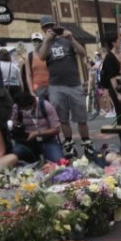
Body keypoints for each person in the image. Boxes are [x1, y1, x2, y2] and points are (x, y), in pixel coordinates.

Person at [37, 15, 90, 157]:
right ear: (42, 29)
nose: (50, 28)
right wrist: (47, 40)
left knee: (81, 117)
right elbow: (42, 57)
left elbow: (82, 53)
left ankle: (87, 143)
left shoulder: (66, 39)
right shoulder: (43, 44)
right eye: (46, 27)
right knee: (63, 118)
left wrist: (72, 39)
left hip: (74, 83)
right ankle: (69, 144)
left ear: (56, 25)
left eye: (51, 25)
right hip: (56, 85)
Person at [10, 89, 64, 164]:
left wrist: (37, 133)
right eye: (23, 109)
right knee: (16, 150)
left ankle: (46, 157)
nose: (26, 110)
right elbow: (14, 123)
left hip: (47, 139)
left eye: (27, 108)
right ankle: (33, 161)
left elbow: (56, 129)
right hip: (28, 141)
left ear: (34, 102)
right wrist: (15, 124)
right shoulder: (17, 107)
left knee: (58, 162)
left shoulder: (45, 105)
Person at [101, 35, 121, 125]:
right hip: (117, 87)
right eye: (119, 40)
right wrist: (118, 93)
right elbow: (111, 77)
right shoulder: (109, 57)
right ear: (113, 43)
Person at [24, 32, 50, 98]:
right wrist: (31, 91)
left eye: (39, 41)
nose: (37, 43)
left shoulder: (48, 54)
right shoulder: (29, 57)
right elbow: (28, 75)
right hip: (37, 88)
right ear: (32, 42)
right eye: (35, 41)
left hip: (50, 86)